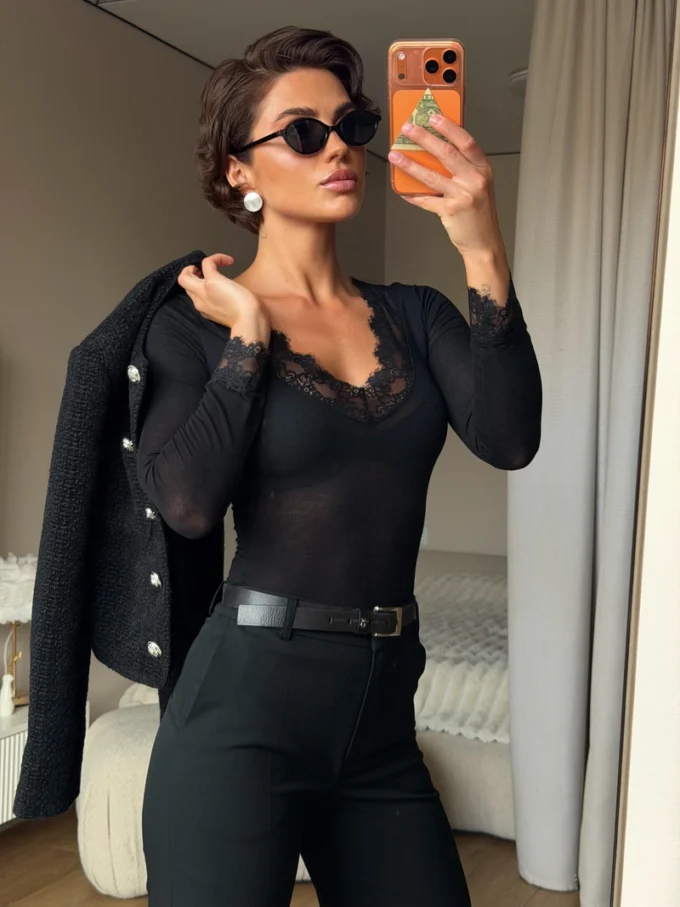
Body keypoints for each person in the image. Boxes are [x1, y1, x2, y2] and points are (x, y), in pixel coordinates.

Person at [139, 24, 542, 907]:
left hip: (381, 720)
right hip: (240, 715)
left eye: (352, 125)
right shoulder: (194, 323)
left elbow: (510, 438)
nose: (339, 148)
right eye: (302, 132)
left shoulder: (416, 315)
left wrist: (481, 247)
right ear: (238, 171)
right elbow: (187, 504)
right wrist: (248, 339)